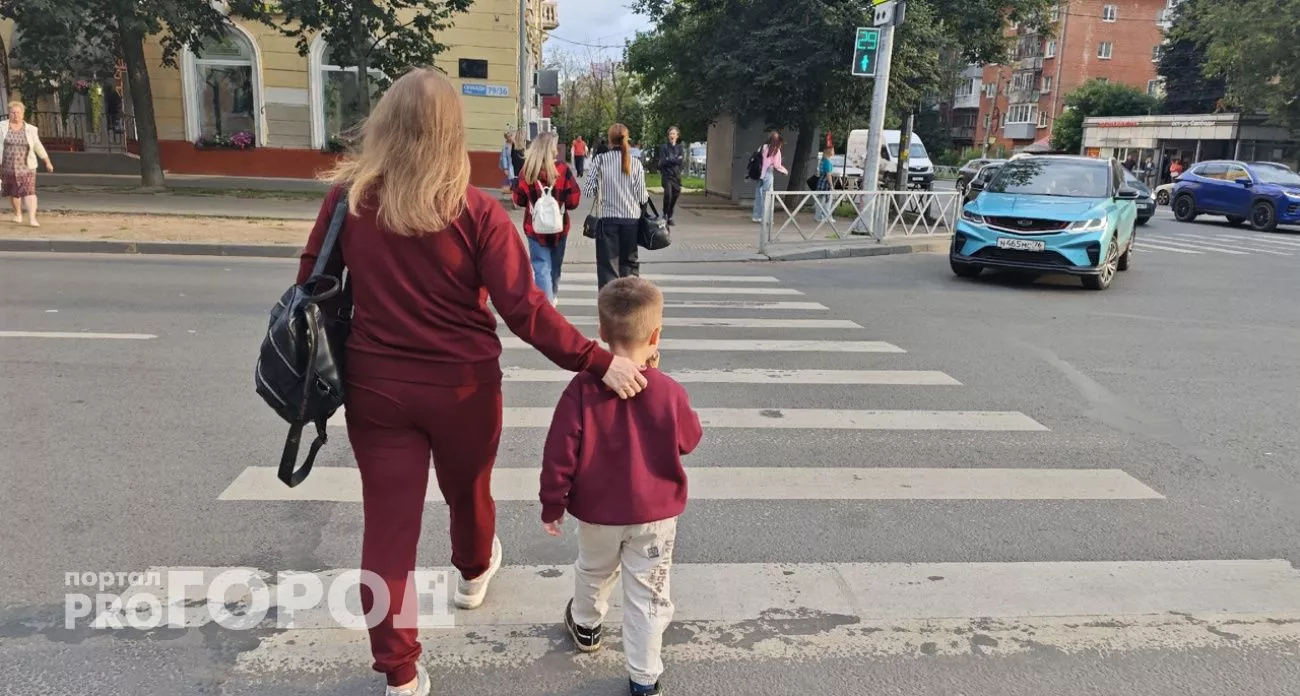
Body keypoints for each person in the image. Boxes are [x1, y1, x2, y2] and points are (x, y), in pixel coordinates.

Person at [297, 68, 649, 696]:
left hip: (376, 389)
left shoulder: (349, 201)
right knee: (469, 491)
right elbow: (525, 310)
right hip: (464, 389)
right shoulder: (476, 212)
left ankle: (401, 675)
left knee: (388, 530)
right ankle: (472, 571)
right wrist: (598, 360)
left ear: (385, 125)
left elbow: (310, 285)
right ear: (450, 132)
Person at [539, 277, 703, 696]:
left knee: (592, 570)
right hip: (654, 517)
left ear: (602, 332)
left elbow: (559, 452)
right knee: (647, 595)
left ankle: (587, 626)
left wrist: (552, 504)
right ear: (656, 336)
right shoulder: (668, 391)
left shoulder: (581, 389)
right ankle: (644, 677)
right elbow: (689, 439)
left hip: (597, 514)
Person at [513, 131, 580, 306]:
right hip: (559, 227)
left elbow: (518, 200)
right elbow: (573, 201)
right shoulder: (563, 170)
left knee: (541, 268)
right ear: (552, 149)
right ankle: (551, 298)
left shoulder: (527, 171)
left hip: (534, 228)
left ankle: (546, 305)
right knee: (555, 268)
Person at [584, 123, 650, 289]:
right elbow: (643, 196)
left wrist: (603, 188)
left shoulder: (600, 160)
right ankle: (630, 299)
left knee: (607, 266)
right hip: (631, 221)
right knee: (629, 265)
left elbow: (588, 191)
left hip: (607, 220)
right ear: (627, 139)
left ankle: (609, 300)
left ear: (609, 139)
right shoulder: (636, 163)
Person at [1, 102, 53, 227]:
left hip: (27, 166)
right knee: (13, 191)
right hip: (7, 165)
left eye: (18, 112)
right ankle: (18, 213)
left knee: (30, 191)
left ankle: (32, 218)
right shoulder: (1, 127)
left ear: (23, 114)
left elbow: (38, 146)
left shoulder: (30, 129)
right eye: (13, 112)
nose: (15, 115)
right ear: (9, 114)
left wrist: (47, 162)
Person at [751, 131, 787, 223]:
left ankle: (756, 216)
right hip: (768, 173)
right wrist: (784, 171)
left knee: (759, 195)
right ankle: (766, 218)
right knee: (768, 196)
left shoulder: (762, 147)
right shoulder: (776, 151)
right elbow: (777, 165)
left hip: (759, 173)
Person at [656, 127, 685, 227]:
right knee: (668, 195)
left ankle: (670, 214)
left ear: (677, 135)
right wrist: (674, 160)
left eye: (674, 134)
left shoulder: (680, 148)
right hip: (667, 175)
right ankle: (665, 214)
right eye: (670, 134)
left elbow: (680, 161)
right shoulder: (664, 147)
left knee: (676, 194)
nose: (672, 136)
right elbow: (664, 161)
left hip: (676, 175)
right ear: (668, 136)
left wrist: (670, 159)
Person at [814, 145, 836, 222]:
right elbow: (828, 174)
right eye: (833, 150)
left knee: (820, 201)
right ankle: (827, 217)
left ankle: (818, 216)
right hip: (825, 184)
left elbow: (819, 172)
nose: (834, 152)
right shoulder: (827, 161)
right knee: (828, 201)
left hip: (821, 182)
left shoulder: (822, 160)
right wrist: (831, 186)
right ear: (829, 151)